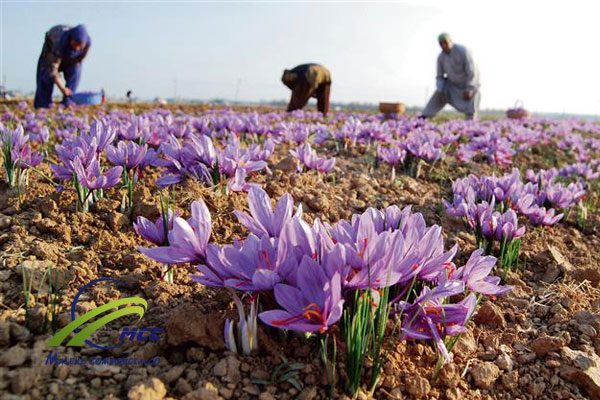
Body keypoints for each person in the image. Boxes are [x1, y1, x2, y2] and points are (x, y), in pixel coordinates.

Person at [422, 33, 480, 120]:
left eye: (445, 42)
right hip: (452, 85)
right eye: (441, 44)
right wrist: (440, 91)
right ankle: (424, 117)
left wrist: (469, 88)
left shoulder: (463, 51)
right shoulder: (441, 57)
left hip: (467, 84)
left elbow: (472, 71)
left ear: (450, 41)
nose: (444, 45)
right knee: (438, 94)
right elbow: (439, 76)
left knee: (471, 106)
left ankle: (470, 125)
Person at [34, 24, 91, 109]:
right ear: (70, 39)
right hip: (51, 55)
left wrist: (80, 59)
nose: (77, 48)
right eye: (75, 44)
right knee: (46, 77)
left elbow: (84, 53)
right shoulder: (58, 40)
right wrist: (62, 88)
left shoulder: (87, 42)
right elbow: (52, 70)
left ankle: (68, 103)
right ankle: (44, 105)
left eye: (80, 46)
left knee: (75, 70)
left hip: (70, 59)